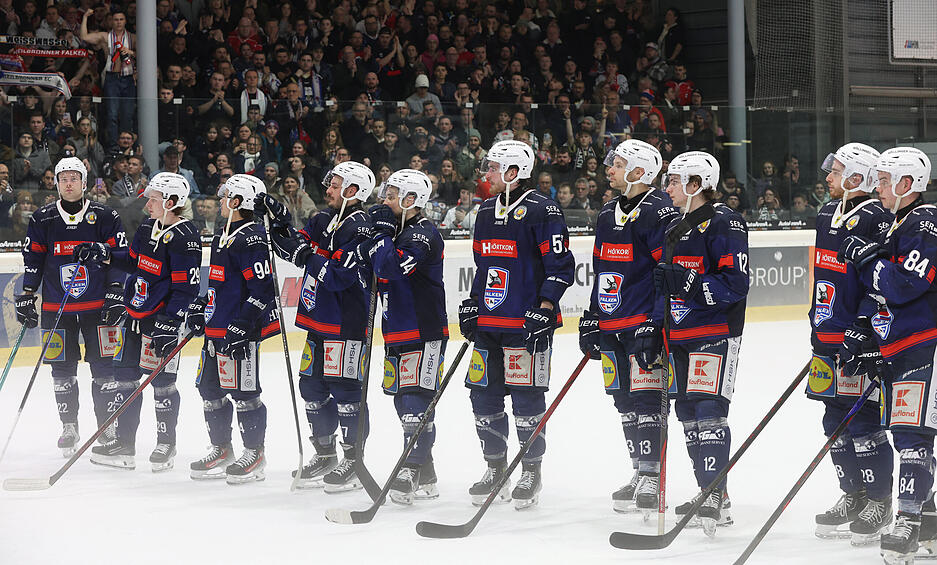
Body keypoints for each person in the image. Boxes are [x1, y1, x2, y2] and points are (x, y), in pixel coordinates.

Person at [458, 140, 575, 509]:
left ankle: (530, 471)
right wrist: (474, 303)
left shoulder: (544, 210)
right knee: (483, 396)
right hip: (490, 322)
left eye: (492, 168)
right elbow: (484, 265)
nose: (486, 174)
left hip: (526, 324)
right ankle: (495, 468)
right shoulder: (487, 209)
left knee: (527, 399)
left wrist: (545, 306)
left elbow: (560, 267)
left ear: (512, 173)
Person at [837, 147, 936, 563]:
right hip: (899, 343)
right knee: (910, 433)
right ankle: (928, 522)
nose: (876, 186)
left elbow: (901, 286)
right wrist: (867, 331)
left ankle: (909, 522)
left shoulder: (926, 222)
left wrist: (870, 261)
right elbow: (883, 294)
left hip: (923, 342)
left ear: (907, 184)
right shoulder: (898, 222)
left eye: (883, 179)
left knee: (912, 435)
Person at [256, 161, 375, 492]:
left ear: (353, 191)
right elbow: (292, 247)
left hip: (346, 325)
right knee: (311, 386)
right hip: (317, 321)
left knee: (347, 391)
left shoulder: (362, 228)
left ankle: (354, 458)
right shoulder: (323, 218)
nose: (328, 190)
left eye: (335, 185)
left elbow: (338, 276)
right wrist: (278, 221)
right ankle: (325, 453)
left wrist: (306, 254)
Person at [74, 173, 201, 471]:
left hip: (162, 321)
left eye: (154, 199)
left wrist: (170, 323)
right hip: (134, 315)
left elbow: (187, 288)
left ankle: (165, 444)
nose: (148, 203)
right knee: (124, 379)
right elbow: (133, 260)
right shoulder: (147, 227)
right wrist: (104, 253)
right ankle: (125, 443)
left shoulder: (185, 237)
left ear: (171, 202)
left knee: (163, 384)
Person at [579, 139, 678, 514]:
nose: (609, 169)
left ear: (638, 172)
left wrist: (655, 321)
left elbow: (663, 272)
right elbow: (602, 269)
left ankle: (653, 475)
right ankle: (639, 471)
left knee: (648, 400)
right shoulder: (607, 213)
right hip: (611, 322)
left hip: (641, 325)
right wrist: (592, 316)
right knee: (624, 402)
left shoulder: (660, 212)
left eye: (617, 164)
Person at [655, 150, 749, 536]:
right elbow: (665, 285)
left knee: (710, 410)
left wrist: (691, 284)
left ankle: (713, 494)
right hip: (678, 333)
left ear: (696, 184)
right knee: (689, 414)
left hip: (714, 333)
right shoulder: (673, 226)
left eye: (675, 181)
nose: (668, 187)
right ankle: (712, 493)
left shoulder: (726, 222)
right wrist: (655, 328)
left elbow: (736, 284)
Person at [808, 143, 895, 544]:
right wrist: (818, 322)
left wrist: (863, 325)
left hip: (857, 341)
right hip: (826, 335)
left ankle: (879, 499)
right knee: (833, 421)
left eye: (836, 169)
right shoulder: (828, 211)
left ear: (857, 177)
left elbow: (879, 281)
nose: (828, 176)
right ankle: (853, 493)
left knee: (862, 421)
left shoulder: (878, 216)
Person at [16, 158, 128, 457]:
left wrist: (116, 291)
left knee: (104, 368)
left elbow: (119, 255)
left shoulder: (105, 215)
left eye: (73, 178)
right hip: (56, 308)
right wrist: (27, 293)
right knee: (61, 370)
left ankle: (107, 427)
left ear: (84, 182)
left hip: (98, 307)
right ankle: (69, 425)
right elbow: (34, 259)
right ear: (56, 183)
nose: (68, 183)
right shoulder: (43, 218)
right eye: (63, 178)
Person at [355, 169, 448, 504]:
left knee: (415, 402)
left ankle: (410, 467)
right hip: (395, 329)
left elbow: (390, 268)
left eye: (392, 195)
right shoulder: (396, 230)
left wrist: (379, 234)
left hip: (424, 330)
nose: (384, 200)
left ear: (412, 200)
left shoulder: (422, 234)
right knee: (401, 399)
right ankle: (427, 473)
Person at [185, 174, 280, 484]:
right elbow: (218, 282)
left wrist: (242, 325)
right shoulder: (222, 234)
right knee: (209, 389)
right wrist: (202, 305)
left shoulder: (252, 237)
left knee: (245, 393)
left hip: (240, 331)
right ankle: (221, 448)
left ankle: (255, 453)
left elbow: (263, 289)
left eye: (225, 195)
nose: (220, 200)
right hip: (216, 329)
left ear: (238, 201)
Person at [80, 8, 136, 148]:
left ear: (125, 21)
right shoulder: (106, 36)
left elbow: (145, 55)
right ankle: (113, 146)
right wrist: (85, 17)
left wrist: (130, 52)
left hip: (128, 78)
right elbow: (84, 37)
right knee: (112, 114)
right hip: (112, 78)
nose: (118, 22)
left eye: (121, 19)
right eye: (115, 19)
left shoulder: (133, 37)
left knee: (127, 115)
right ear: (111, 21)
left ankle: (126, 146)